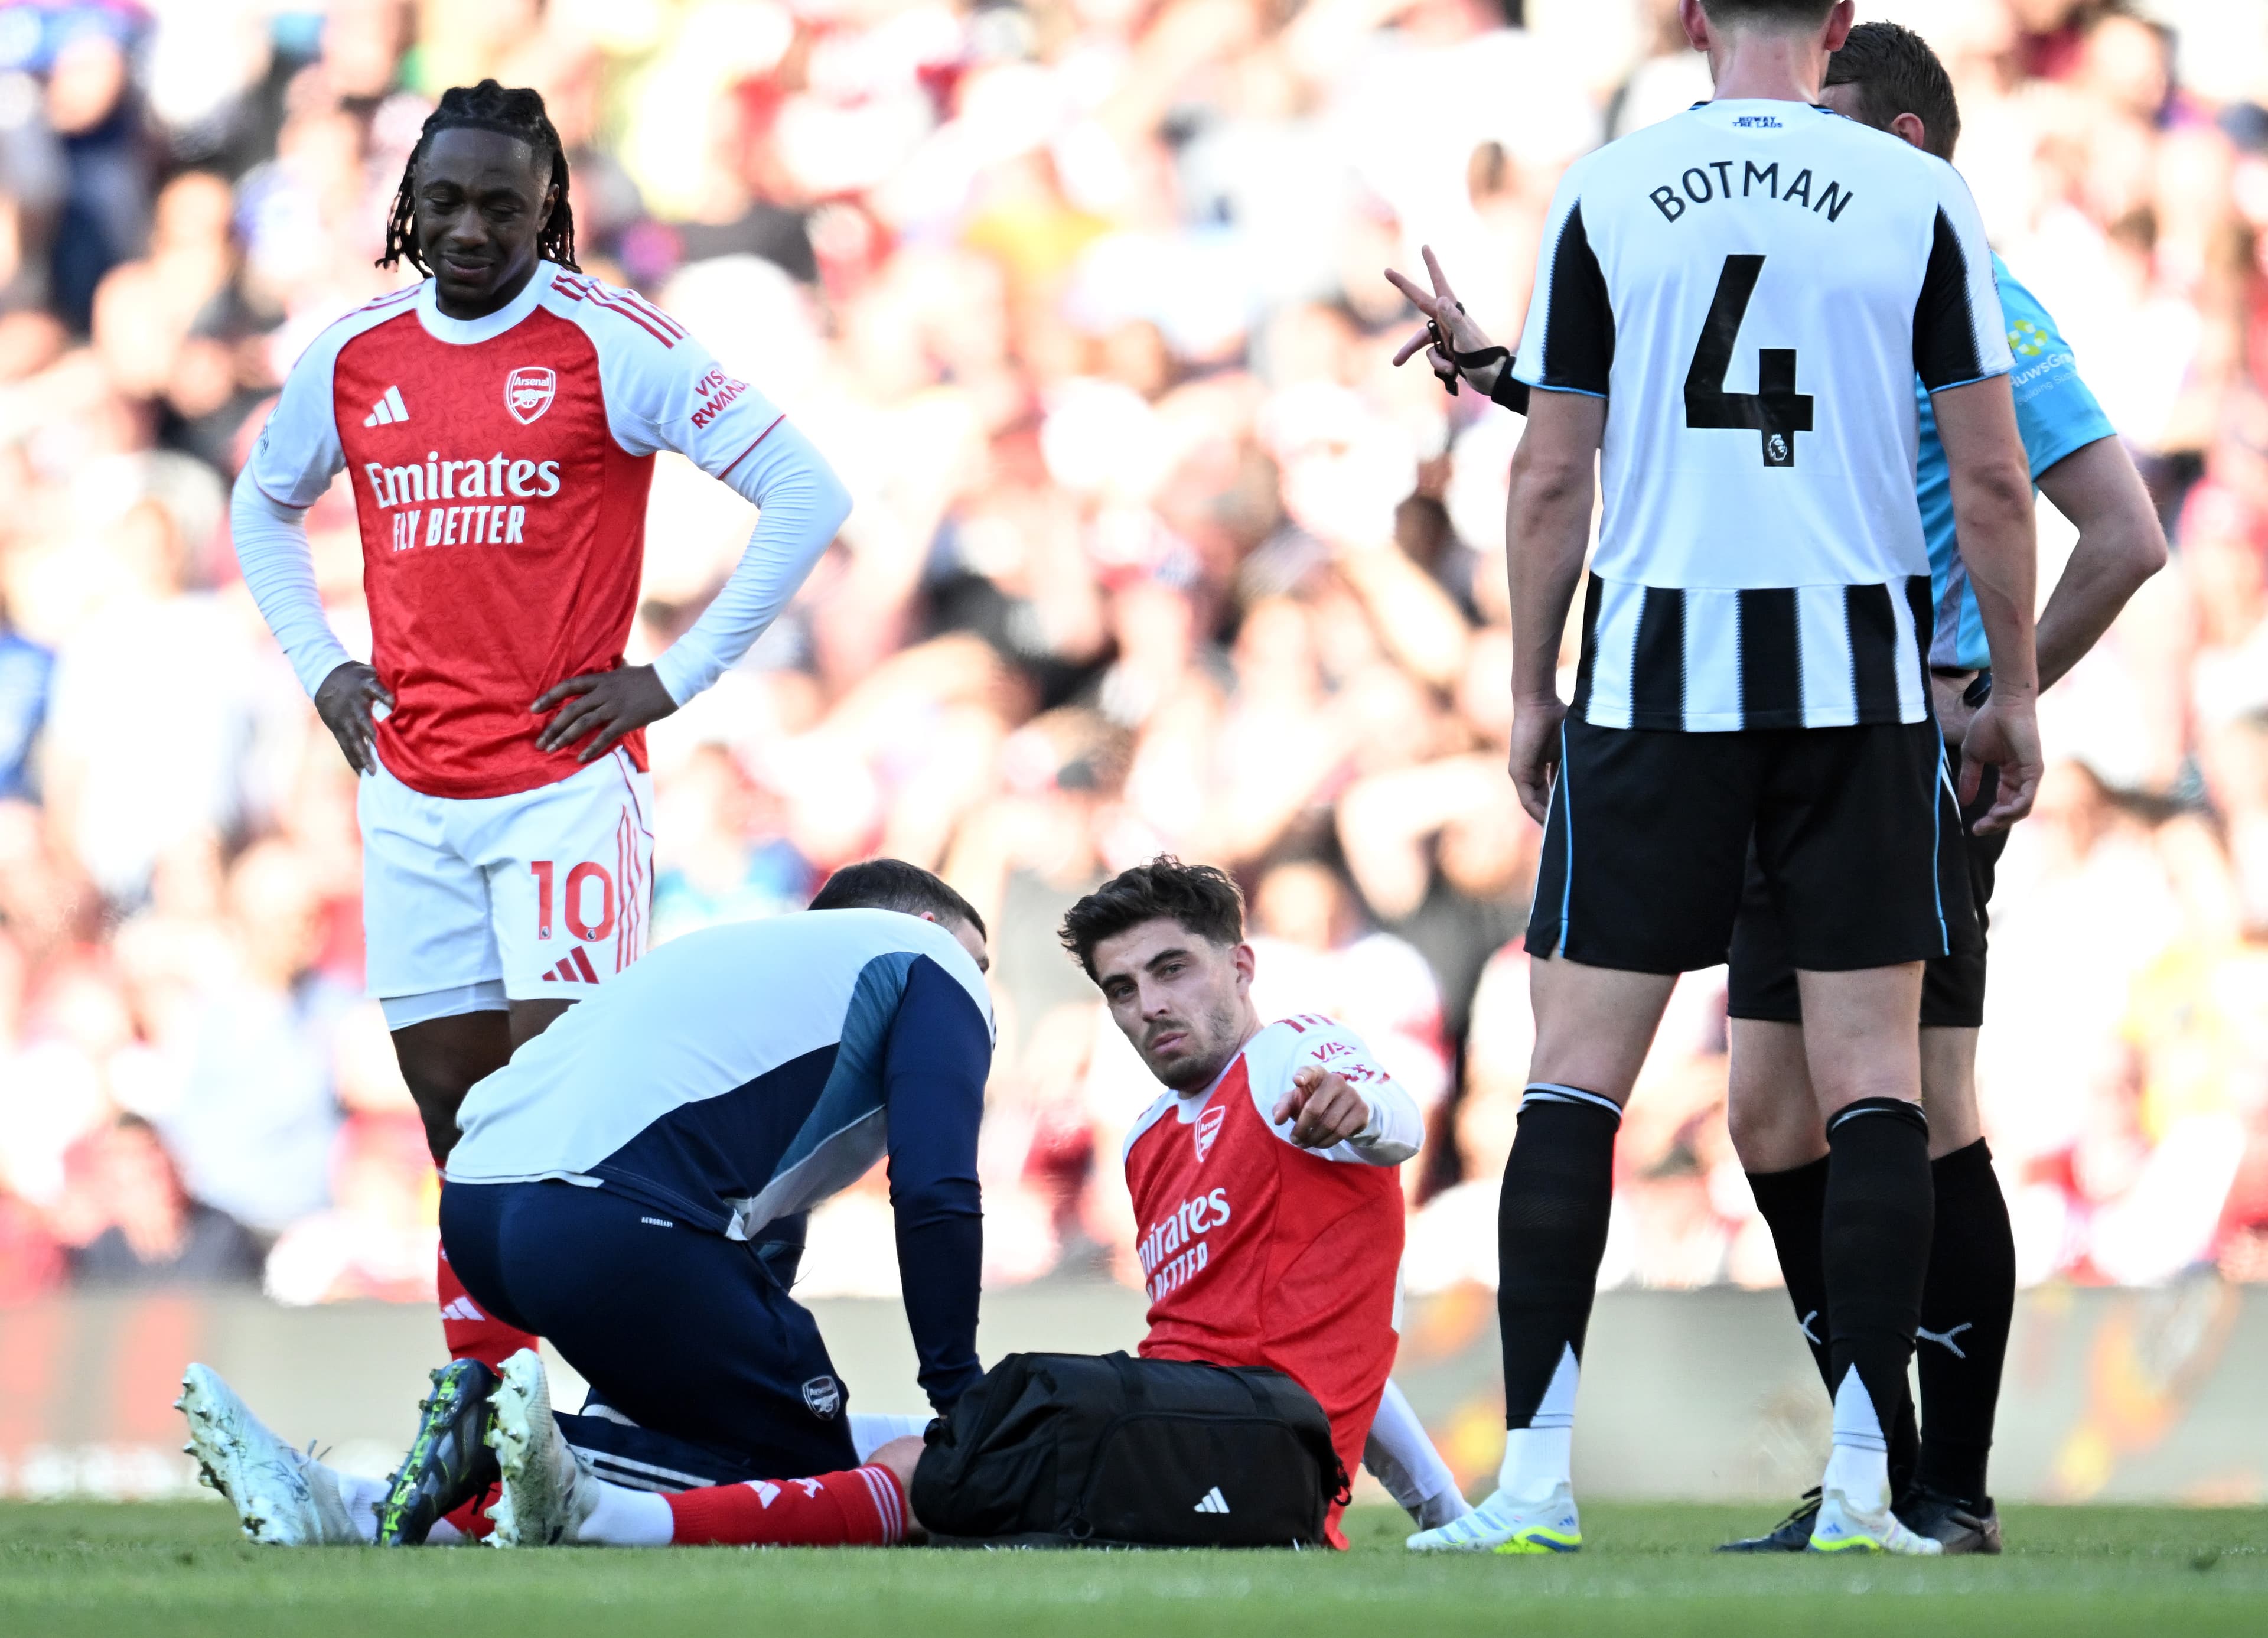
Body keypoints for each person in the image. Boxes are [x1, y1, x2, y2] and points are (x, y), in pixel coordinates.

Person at [1391, 0, 2042, 1556]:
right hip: (1859, 676)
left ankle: (1535, 1480)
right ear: (1834, 21)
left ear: (1693, 17)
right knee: (1876, 1075)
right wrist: (2011, 687)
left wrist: (1526, 690)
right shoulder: (1918, 192)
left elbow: (1552, 469)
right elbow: (1994, 475)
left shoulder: (1609, 188)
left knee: (1571, 1074)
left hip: (1656, 667)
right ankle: (1874, 1488)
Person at [229, 80, 851, 1384]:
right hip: (407, 789)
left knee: (567, 1121)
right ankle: (489, 1405)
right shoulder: (354, 356)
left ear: (547, 212)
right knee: (457, 1125)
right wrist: (323, 665)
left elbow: (806, 487)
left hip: (563, 790)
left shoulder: (611, 343)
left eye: (500, 206)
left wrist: (672, 678)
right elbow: (261, 505)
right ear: (406, 204)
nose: (468, 229)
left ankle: (610, 1399)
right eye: (444, 202)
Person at [365, 857, 1467, 1552]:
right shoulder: (1145, 1141)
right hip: (1203, 1422)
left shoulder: (1288, 1061)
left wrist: (1358, 1113)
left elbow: (1391, 1119)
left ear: (1242, 963)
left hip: (1245, 1438)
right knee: (870, 1442)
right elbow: (930, 1192)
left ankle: (528, 1495)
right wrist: (958, 1393)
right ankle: (556, 1485)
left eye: (1172, 971)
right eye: (1122, 989)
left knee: (913, 1450)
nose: (1147, 1008)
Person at [1716, 21, 2167, 1556]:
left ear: (1900, 145)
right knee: (1769, 1112)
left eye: (1822, 132)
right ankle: (1877, 1458)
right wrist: (1511, 378)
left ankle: (1939, 1487)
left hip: (1904, 750)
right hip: (1793, 740)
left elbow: (2123, 530)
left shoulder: (1977, 297)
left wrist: (1998, 688)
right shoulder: (1834, 312)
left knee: (1915, 1100)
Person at [177, 859, 990, 1549]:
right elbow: (935, 1189)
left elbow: (733, 1285)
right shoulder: (928, 960)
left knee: (754, 1428)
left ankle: (356, 1500)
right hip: (607, 1220)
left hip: (481, 1212)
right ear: (926, 922)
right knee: (806, 1476)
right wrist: (961, 1396)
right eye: (979, 965)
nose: (980, 995)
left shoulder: (752, 969)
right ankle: (506, 1457)